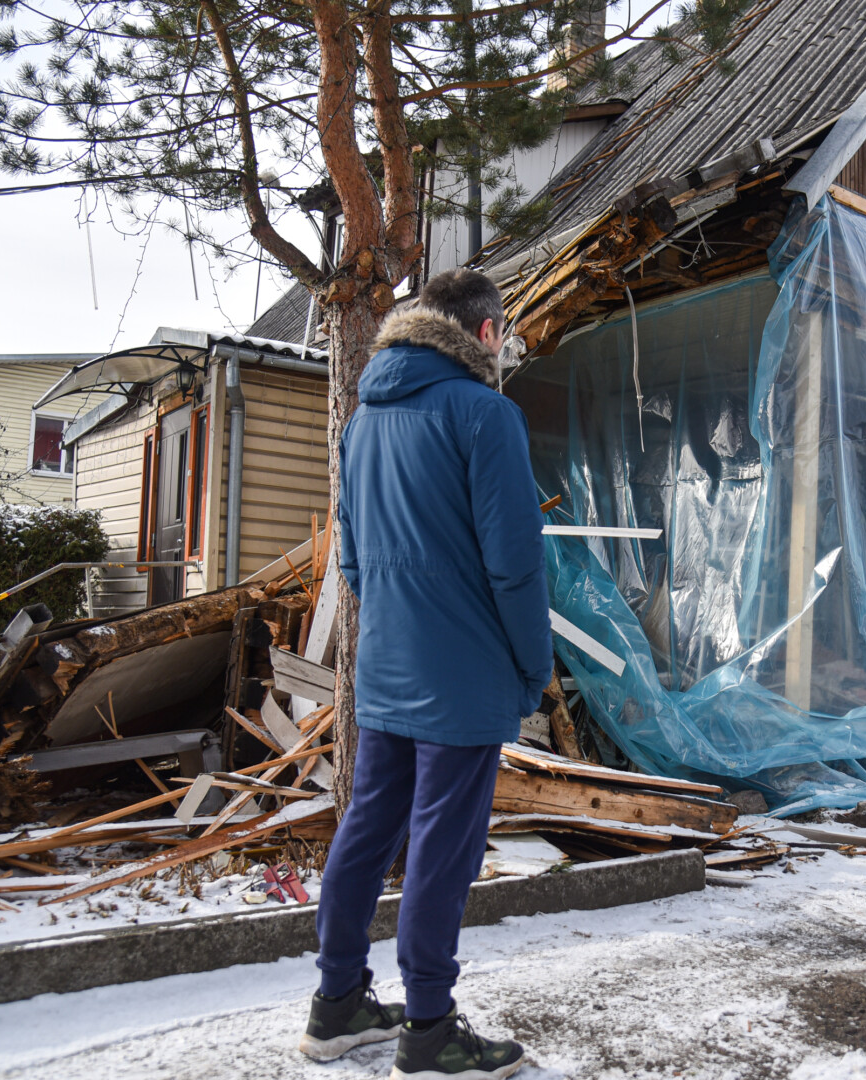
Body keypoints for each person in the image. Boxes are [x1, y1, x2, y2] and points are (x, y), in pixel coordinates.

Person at [299, 268, 552, 1079]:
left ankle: (337, 1004)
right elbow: (515, 566)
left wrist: (396, 623)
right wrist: (532, 664)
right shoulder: (486, 414)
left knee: (367, 829)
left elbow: (352, 558)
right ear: (486, 333)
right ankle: (430, 1028)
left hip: (385, 667)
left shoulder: (363, 420)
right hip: (463, 676)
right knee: (443, 850)